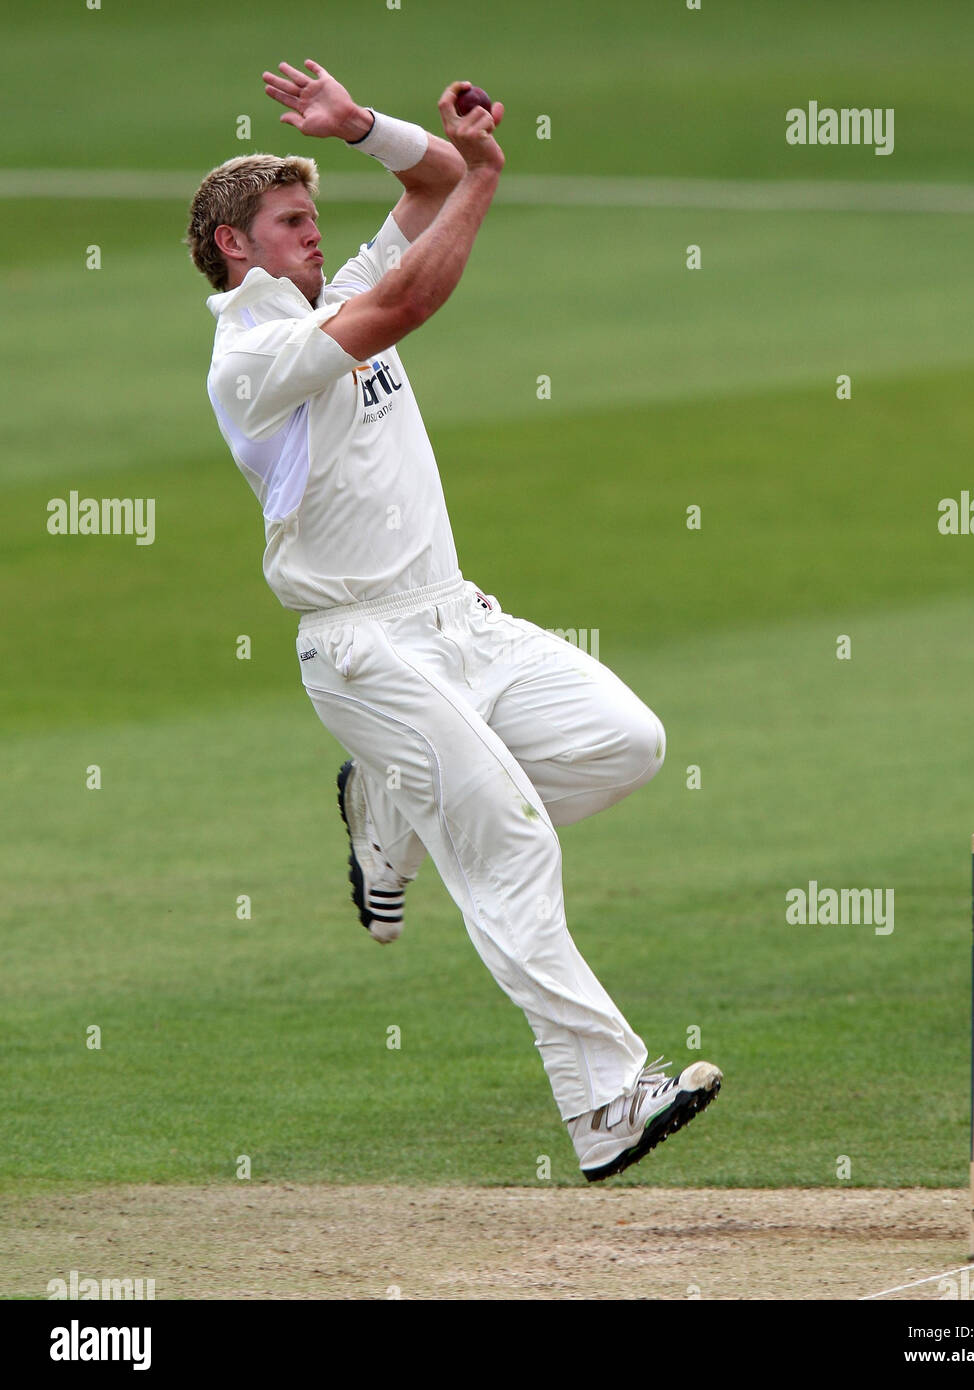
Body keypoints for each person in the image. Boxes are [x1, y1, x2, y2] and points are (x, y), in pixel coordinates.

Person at [185, 59, 721, 1180]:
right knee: (510, 840)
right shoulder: (251, 358)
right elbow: (414, 295)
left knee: (628, 743)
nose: (314, 236)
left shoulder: (325, 300)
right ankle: (605, 1103)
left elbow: (421, 185)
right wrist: (486, 175)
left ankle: (393, 802)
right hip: (362, 645)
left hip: (456, 617)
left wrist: (360, 127)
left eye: (314, 218)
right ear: (237, 245)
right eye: (290, 223)